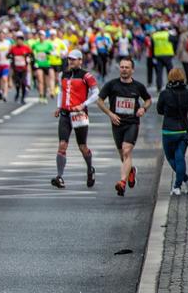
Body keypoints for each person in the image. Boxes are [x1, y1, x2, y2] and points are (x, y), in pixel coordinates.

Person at [97, 57, 153, 196]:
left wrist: (143, 109)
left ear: (132, 70)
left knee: (126, 150)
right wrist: (110, 114)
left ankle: (122, 182)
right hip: (117, 123)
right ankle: (131, 171)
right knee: (123, 155)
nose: (124, 70)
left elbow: (148, 100)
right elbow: (99, 101)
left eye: (127, 67)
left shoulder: (138, 86)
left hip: (132, 123)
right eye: (122, 67)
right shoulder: (112, 85)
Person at [51, 50, 99, 190]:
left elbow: (96, 93)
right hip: (65, 114)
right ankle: (60, 177)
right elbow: (61, 91)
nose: (70, 61)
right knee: (62, 145)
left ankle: (90, 169)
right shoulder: (63, 74)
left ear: (80, 60)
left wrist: (83, 104)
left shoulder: (86, 76)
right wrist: (59, 106)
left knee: (82, 146)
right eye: (69, 59)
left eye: (73, 59)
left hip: (79, 114)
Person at [157, 68, 188, 196]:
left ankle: (185, 181)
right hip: (183, 129)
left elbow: (159, 110)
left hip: (169, 130)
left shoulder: (165, 94)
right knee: (180, 158)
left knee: (170, 157)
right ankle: (179, 186)